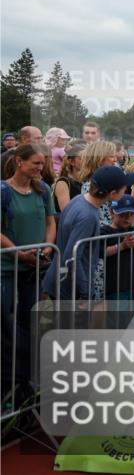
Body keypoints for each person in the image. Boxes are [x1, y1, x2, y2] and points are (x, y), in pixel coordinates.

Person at [1, 144, 56, 402]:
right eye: (35, 163)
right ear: (19, 162)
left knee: (29, 319)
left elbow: (50, 221)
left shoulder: (42, 189)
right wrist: (17, 253)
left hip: (35, 268)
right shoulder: (3, 192)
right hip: (7, 269)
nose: (40, 167)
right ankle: (8, 377)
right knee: (4, 322)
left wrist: (46, 248)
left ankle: (23, 376)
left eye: (42, 163)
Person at [42, 165, 134, 302]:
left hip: (61, 280)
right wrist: (86, 292)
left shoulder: (78, 199)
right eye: (123, 188)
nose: (126, 191)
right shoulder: (88, 216)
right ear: (112, 193)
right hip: (71, 288)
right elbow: (73, 256)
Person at [101, 195, 134, 303]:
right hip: (116, 287)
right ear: (112, 212)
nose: (127, 218)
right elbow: (100, 252)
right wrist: (122, 246)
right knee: (118, 318)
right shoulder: (105, 232)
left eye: (132, 214)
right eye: (123, 214)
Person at [78, 140, 118, 227]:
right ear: (99, 160)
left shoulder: (103, 181)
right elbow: (101, 220)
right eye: (111, 156)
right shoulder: (92, 186)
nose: (115, 160)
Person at [53, 141, 87, 214]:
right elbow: (67, 213)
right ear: (72, 162)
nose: (86, 161)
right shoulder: (63, 183)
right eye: (82, 158)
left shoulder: (87, 181)